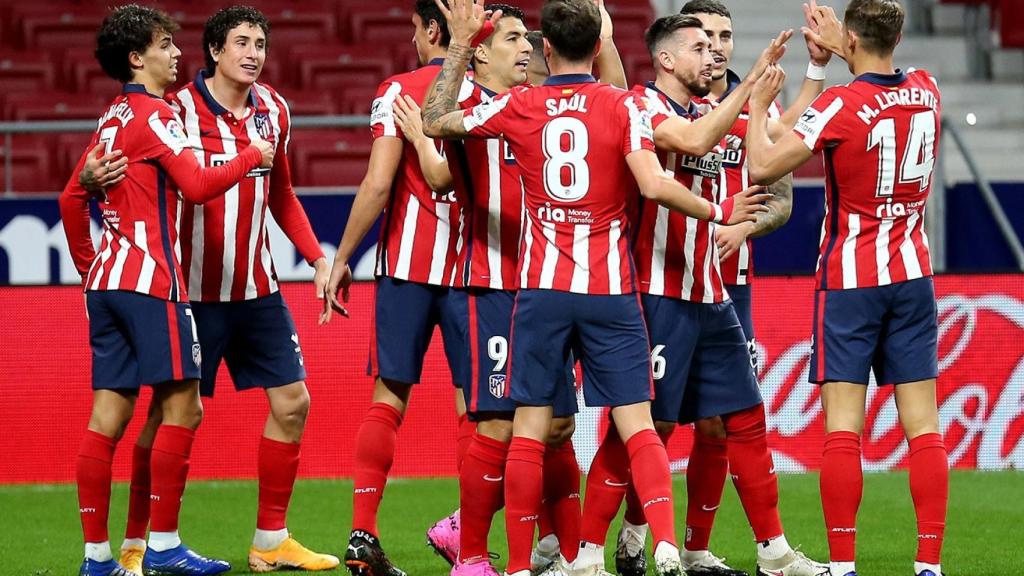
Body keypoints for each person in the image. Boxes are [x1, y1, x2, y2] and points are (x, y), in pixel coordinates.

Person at [420, 1, 771, 575]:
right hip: (611, 289)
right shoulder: (626, 104)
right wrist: (718, 206)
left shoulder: (519, 103)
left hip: (541, 291)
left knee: (530, 431)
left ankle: (514, 567)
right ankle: (661, 542)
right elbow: (656, 182)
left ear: (546, 51)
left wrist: (459, 47)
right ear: (599, 43)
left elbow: (437, 120)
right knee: (637, 423)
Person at [80, 6, 339, 573]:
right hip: (191, 290)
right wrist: (90, 179)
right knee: (168, 415)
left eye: (261, 43)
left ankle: (271, 540)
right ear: (215, 51)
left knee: (294, 403)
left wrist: (318, 259)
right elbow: (114, 179)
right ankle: (138, 541)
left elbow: (282, 196)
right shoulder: (173, 110)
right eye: (242, 42)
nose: (254, 53)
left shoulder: (275, 109)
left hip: (257, 288)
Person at [576, 13, 827, 576]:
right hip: (655, 293)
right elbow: (695, 139)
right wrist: (749, 85)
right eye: (699, 46)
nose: (712, 54)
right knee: (642, 429)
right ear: (666, 59)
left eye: (719, 45)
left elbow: (773, 135)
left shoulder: (709, 115)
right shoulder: (642, 108)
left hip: (712, 294)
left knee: (745, 418)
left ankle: (774, 552)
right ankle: (587, 554)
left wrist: (801, 75)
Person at [60, 5, 274, 575]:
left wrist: (92, 270)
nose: (177, 53)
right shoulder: (154, 115)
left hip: (108, 283)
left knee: (107, 417)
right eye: (165, 45)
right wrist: (254, 154)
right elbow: (200, 186)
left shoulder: (112, 117)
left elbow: (70, 199)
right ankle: (163, 544)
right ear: (138, 57)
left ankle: (98, 558)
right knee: (185, 405)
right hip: (152, 284)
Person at [745, 2, 948, 576]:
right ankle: (929, 564)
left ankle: (842, 566)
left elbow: (761, 164)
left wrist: (761, 105)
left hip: (851, 279)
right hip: (913, 274)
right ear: (900, 36)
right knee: (924, 427)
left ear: (851, 39)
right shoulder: (929, 90)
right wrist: (842, 51)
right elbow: (886, 82)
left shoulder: (840, 105)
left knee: (842, 427)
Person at [321, 1, 475, 574]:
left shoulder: (399, 91)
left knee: (388, 399)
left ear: (432, 29)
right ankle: (470, 540)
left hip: (406, 271)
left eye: (414, 28)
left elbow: (378, 183)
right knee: (474, 410)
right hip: (472, 274)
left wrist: (342, 258)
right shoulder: (486, 85)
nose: (412, 39)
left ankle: (362, 534)